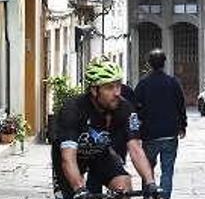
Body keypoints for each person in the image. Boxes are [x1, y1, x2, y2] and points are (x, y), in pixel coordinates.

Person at [51, 58, 163, 199]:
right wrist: (80, 189)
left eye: (118, 86)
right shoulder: (73, 110)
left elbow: (135, 149)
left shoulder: (125, 108)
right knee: (75, 194)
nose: (117, 93)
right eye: (110, 87)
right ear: (94, 90)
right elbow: (68, 158)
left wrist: (150, 183)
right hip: (70, 157)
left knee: (123, 186)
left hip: (100, 153)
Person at [134, 49, 187, 199]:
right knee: (167, 170)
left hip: (150, 134)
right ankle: (164, 197)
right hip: (170, 134)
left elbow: (135, 107)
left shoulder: (143, 84)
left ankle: (148, 196)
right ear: (164, 63)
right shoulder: (173, 82)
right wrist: (183, 125)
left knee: (147, 169)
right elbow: (180, 105)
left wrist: (138, 128)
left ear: (149, 64)